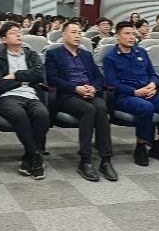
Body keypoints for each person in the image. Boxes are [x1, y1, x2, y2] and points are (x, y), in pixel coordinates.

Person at [104, 22, 159, 166]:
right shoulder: (110, 58)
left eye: (133, 34)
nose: (131, 37)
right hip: (126, 97)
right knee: (146, 107)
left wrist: (153, 84)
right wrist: (134, 92)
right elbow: (111, 83)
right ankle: (141, 146)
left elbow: (153, 74)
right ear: (118, 36)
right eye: (127, 34)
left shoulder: (141, 52)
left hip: (149, 94)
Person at [45, 22, 118, 182]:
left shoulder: (86, 54)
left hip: (88, 92)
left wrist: (94, 88)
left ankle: (106, 160)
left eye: (79, 32)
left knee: (101, 107)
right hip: (67, 95)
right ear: (63, 35)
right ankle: (85, 160)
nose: (77, 35)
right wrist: (75, 88)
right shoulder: (54, 54)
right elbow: (53, 79)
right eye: (73, 32)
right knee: (88, 109)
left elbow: (98, 77)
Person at [0, 23, 49, 179]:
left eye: (19, 32)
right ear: (4, 39)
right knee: (19, 115)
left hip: (31, 95)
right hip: (8, 96)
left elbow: (39, 75)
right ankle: (35, 155)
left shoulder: (31, 55)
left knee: (42, 114)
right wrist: (24, 80)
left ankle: (28, 156)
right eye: (13, 32)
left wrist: (16, 75)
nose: (18, 35)